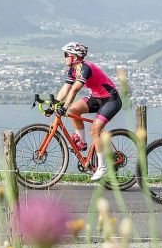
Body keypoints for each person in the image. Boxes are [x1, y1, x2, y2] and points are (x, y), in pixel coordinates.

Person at [51, 42, 121, 181]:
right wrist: (54, 104)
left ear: (73, 56)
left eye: (66, 55)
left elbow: (75, 89)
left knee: (95, 130)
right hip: (96, 97)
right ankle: (82, 142)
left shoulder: (86, 68)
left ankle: (102, 166)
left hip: (110, 100)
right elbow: (66, 88)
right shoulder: (73, 69)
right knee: (74, 109)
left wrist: (63, 106)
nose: (64, 57)